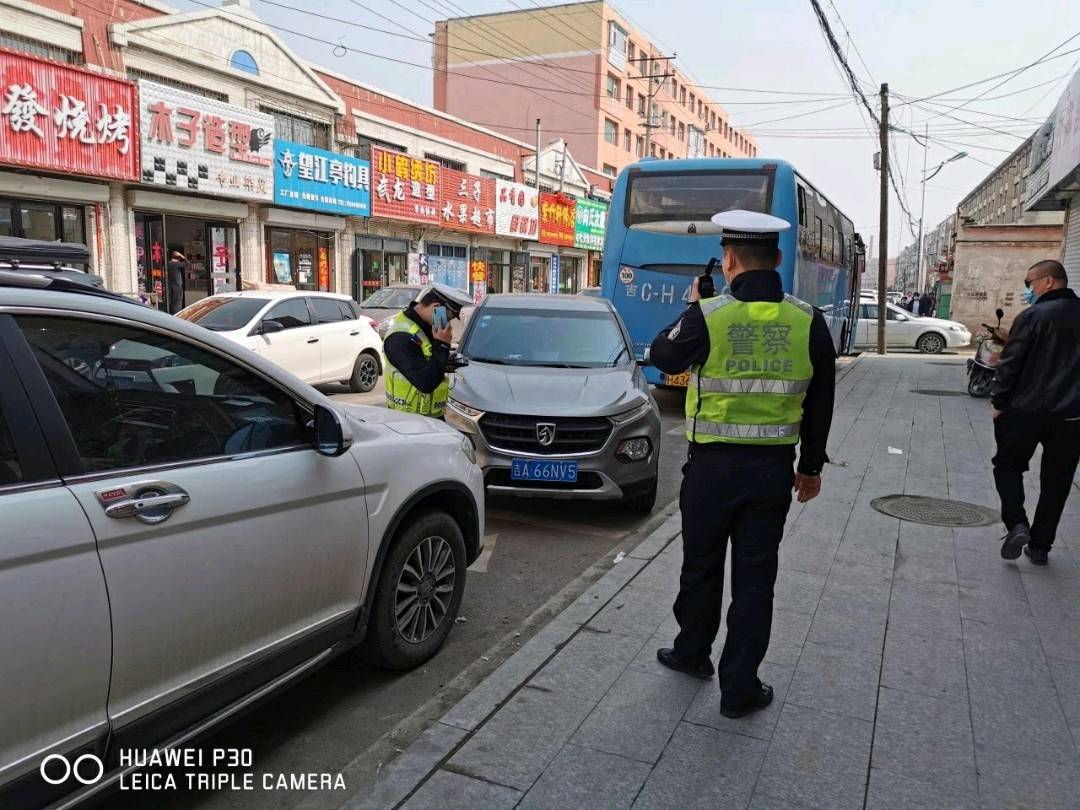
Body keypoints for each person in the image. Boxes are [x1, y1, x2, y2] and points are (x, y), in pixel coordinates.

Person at [650, 210, 836, 718]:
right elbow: (821, 400)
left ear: (728, 260)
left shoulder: (708, 316)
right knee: (756, 580)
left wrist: (694, 306)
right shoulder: (807, 319)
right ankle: (740, 689)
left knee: (701, 566)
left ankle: (691, 654)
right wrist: (811, 466)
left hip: (710, 471)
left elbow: (661, 357)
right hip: (771, 473)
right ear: (777, 260)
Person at [991, 259, 1080, 565]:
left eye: (1029, 283)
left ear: (1048, 282)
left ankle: (1017, 524)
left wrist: (999, 403)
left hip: (1025, 412)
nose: (1027, 290)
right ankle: (1041, 546)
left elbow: (1010, 365)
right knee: (1057, 481)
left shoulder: (1034, 316)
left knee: (1007, 466)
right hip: (1072, 418)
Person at [383, 283, 473, 418]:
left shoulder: (425, 328)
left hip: (430, 418)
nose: (448, 323)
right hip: (406, 421)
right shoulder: (401, 337)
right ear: (436, 308)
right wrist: (442, 344)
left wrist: (445, 362)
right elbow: (426, 382)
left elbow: (427, 362)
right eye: (448, 318)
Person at [166, 250, 187, 314]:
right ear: (178, 258)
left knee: (172, 301)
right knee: (177, 301)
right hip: (177, 285)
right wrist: (182, 255)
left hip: (170, 284)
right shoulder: (176, 264)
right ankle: (177, 314)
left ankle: (172, 313)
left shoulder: (168, 263)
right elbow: (188, 263)